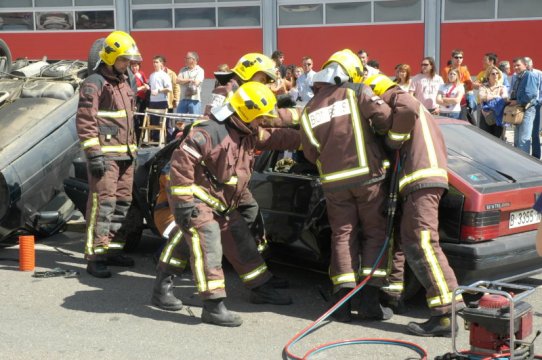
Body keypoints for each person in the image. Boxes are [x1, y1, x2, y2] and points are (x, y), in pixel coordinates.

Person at [168, 82, 300, 327]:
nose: (263, 122)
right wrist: (185, 203)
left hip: (221, 202)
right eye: (260, 118)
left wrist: (310, 140)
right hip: (197, 199)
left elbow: (278, 137)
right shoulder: (209, 132)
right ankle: (213, 305)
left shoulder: (247, 131)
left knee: (241, 241)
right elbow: (180, 165)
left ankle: (260, 288)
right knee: (209, 244)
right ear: (249, 114)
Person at [364, 73, 462, 337]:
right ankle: (396, 294)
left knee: (423, 243)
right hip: (420, 180)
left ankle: (445, 312)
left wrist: (391, 139)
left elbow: (404, 110)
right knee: (407, 238)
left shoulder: (398, 97)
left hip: (421, 178)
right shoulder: (418, 109)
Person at [299, 49, 393, 322]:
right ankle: (369, 303)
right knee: (375, 234)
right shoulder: (357, 91)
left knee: (342, 235)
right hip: (369, 179)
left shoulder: (309, 108)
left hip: (334, 184)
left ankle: (341, 305)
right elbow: (385, 119)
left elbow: (309, 151)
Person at [76, 31, 142, 278]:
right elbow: (85, 120)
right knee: (103, 205)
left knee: (122, 204)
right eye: (124, 60)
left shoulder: (124, 81)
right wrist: (93, 154)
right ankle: (95, 256)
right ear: (111, 57)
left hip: (126, 155)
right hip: (106, 157)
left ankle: (112, 250)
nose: (128, 64)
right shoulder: (94, 82)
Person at [509, 57, 539, 155]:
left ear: (525, 65)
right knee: (517, 139)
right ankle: (518, 162)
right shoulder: (519, 76)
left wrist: (517, 101)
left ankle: (524, 166)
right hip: (520, 109)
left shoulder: (529, 75)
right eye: (514, 66)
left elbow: (530, 95)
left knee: (523, 140)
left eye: (518, 65)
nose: (516, 67)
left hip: (527, 109)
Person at [441, 49, 475, 121]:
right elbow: (446, 84)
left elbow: (470, 86)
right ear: (452, 58)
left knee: (465, 122)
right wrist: (462, 84)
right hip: (449, 99)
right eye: (456, 57)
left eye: (460, 57)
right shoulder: (446, 70)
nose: (459, 59)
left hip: (462, 100)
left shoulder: (464, 69)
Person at [478, 66, 508, 138]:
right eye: (493, 74)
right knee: (485, 138)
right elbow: (482, 97)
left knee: (499, 139)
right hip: (486, 115)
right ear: (488, 76)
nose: (495, 75)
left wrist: (488, 97)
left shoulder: (502, 87)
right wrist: (496, 96)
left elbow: (505, 98)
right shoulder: (483, 87)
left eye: (497, 73)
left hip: (499, 115)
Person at [148, 55, 172, 141]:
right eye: (153, 62)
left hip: (162, 101)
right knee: (154, 121)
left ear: (161, 64)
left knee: (166, 122)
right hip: (152, 101)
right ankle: (156, 139)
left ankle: (169, 139)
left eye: (156, 62)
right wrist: (147, 87)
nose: (154, 64)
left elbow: (169, 88)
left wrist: (158, 90)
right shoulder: (151, 75)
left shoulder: (164, 75)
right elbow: (150, 86)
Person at [177, 51, 204, 115]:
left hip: (194, 100)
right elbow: (177, 81)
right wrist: (189, 80)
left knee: (195, 121)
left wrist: (183, 81)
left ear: (193, 60)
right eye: (185, 58)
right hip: (183, 99)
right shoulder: (183, 70)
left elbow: (196, 83)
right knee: (179, 121)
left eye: (187, 58)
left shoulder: (200, 70)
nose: (185, 60)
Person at [526, 57, 542, 159]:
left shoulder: (539, 74)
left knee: (534, 131)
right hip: (522, 106)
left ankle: (536, 156)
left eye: (528, 66)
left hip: (535, 105)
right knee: (524, 132)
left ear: (531, 65)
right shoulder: (518, 75)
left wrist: (538, 102)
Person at [130, 60, 149, 143]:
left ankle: (141, 139)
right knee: (135, 119)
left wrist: (146, 87)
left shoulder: (141, 74)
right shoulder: (129, 75)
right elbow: (132, 89)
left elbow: (146, 84)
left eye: (136, 65)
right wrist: (141, 88)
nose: (135, 67)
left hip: (143, 99)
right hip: (135, 99)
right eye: (133, 66)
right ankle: (135, 139)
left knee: (142, 119)